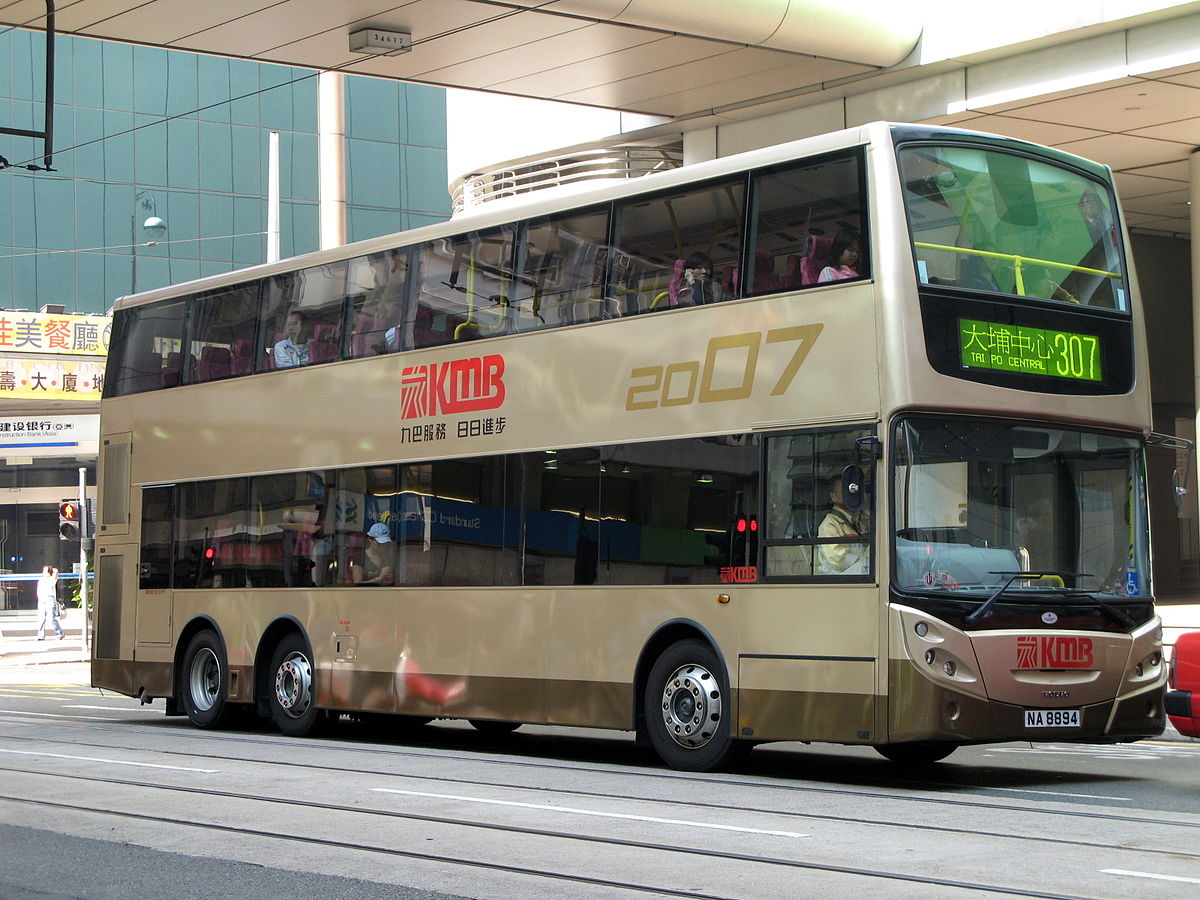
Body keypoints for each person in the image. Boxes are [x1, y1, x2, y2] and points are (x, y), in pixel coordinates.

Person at [816, 479, 869, 576]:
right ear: (833, 496)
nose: (850, 495)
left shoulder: (858, 521)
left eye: (852, 491)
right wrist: (868, 563)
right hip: (841, 582)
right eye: (844, 492)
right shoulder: (830, 524)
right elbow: (839, 560)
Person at [36, 565, 65, 640]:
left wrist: (51, 570)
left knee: (51, 617)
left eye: (46, 571)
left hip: (50, 599)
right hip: (42, 599)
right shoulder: (41, 580)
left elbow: (56, 571)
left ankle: (60, 633)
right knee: (41, 618)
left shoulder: (52, 579)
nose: (44, 573)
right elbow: (38, 591)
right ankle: (40, 635)